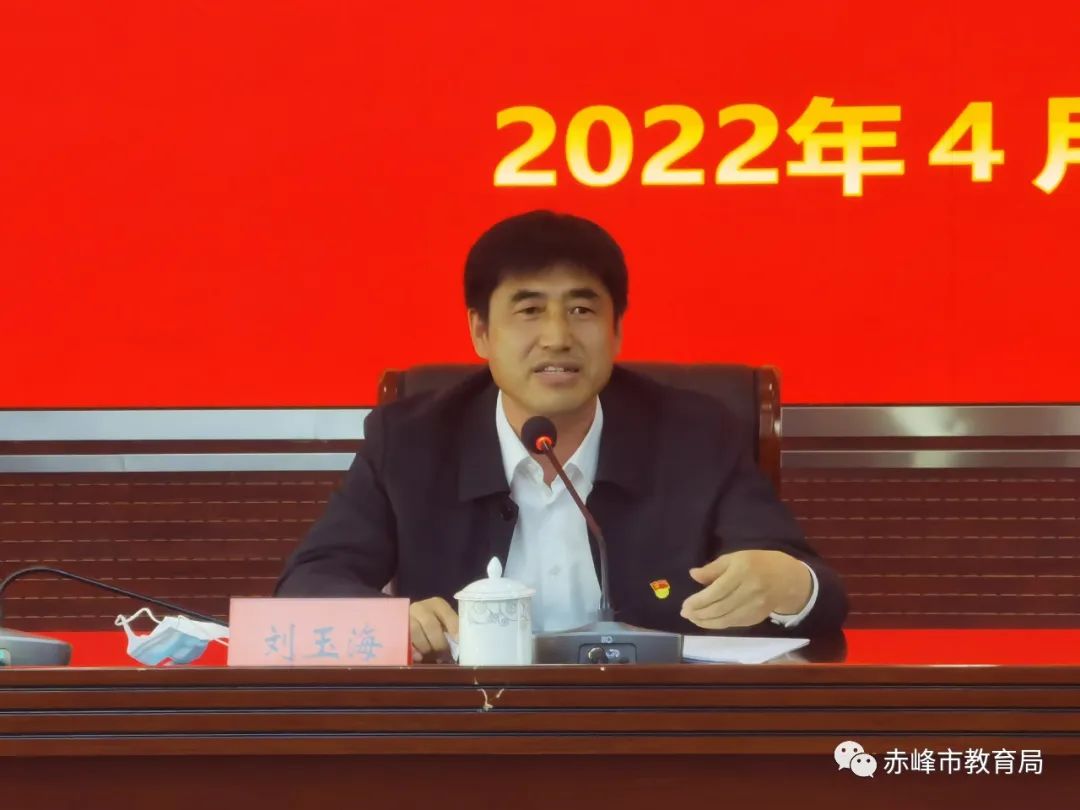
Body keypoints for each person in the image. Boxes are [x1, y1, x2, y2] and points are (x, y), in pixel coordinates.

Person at [276, 210, 848, 660]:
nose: (556, 337)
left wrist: (788, 585)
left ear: (616, 330)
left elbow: (818, 591)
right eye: (529, 311)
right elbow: (309, 583)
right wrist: (388, 620)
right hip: (465, 732)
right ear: (481, 332)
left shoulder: (696, 435)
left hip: (654, 731)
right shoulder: (410, 442)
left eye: (581, 310)